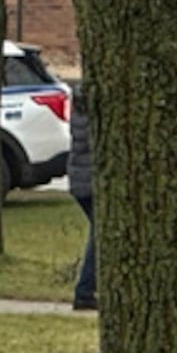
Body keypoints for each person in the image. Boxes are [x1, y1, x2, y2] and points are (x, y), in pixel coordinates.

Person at [67, 76, 96, 312]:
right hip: (89, 181)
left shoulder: (78, 111)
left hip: (81, 180)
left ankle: (87, 290)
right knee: (99, 238)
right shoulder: (87, 120)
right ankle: (85, 291)